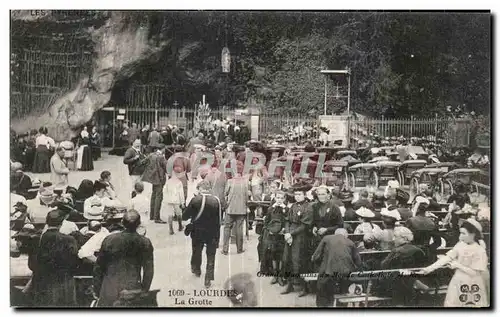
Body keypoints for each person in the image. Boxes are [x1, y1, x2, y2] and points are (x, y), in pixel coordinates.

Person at [418, 219, 489, 307]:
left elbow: (475, 272)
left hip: (472, 283)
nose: (461, 236)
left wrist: (457, 265)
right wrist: (429, 269)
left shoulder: (479, 250)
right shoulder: (460, 245)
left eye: (464, 233)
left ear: (473, 234)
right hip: (457, 280)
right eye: (460, 233)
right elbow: (447, 258)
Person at [93, 210, 154, 307]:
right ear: (139, 224)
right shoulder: (145, 242)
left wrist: (97, 289)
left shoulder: (109, 239)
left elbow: (99, 267)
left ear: (122, 223)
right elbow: (149, 270)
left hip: (109, 287)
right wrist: (144, 290)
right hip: (132, 288)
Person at [29, 210, 79, 307]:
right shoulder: (69, 240)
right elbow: (74, 262)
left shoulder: (37, 239)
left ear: (47, 222)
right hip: (64, 281)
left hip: (42, 281)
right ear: (61, 223)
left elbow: (32, 263)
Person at [182, 180, 222, 288]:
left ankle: (197, 269)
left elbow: (185, 216)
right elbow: (219, 220)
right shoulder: (216, 201)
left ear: (200, 189)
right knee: (211, 255)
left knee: (196, 250)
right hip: (212, 232)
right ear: (209, 189)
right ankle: (208, 278)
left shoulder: (195, 200)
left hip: (197, 231)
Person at [311, 228, 361, 307]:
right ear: (346, 235)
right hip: (343, 275)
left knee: (322, 290)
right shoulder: (350, 242)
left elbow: (315, 257)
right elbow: (358, 262)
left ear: (335, 234)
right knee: (343, 291)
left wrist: (322, 264)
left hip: (328, 274)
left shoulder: (326, 238)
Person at [281, 183, 313, 295]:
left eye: (299, 194)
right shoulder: (293, 206)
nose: (297, 196)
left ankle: (304, 286)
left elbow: (304, 225)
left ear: (304, 195)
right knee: (287, 259)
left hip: (301, 237)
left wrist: (291, 234)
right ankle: (290, 284)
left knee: (299, 261)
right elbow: (287, 221)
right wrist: (287, 232)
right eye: (296, 194)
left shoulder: (308, 207)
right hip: (290, 235)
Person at [221, 163, 249, 255]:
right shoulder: (245, 182)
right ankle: (239, 249)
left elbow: (225, 194)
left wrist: (226, 204)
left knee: (227, 228)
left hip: (230, 209)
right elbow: (246, 197)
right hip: (241, 209)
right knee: (239, 229)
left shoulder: (230, 181)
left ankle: (225, 249)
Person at [261, 190, 288, 286]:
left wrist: (284, 229)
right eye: (278, 198)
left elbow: (288, 221)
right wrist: (269, 229)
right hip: (272, 235)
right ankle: (275, 275)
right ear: (275, 198)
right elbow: (266, 221)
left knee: (280, 256)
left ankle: (280, 276)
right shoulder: (270, 209)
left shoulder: (286, 210)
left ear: (284, 199)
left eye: (281, 198)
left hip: (282, 235)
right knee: (273, 254)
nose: (279, 200)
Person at [142, 143, 168, 223]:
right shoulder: (161, 157)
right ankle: (157, 217)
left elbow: (143, 162)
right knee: (159, 197)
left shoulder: (151, 155)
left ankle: (152, 215)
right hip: (160, 178)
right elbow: (166, 167)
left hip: (153, 178)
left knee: (153, 195)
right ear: (162, 149)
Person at [163, 165, 186, 234]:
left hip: (169, 200)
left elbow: (164, 190)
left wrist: (165, 199)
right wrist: (183, 202)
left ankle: (171, 229)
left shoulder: (168, 181)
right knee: (179, 213)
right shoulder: (179, 182)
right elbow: (181, 194)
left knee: (170, 214)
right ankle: (180, 226)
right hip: (177, 200)